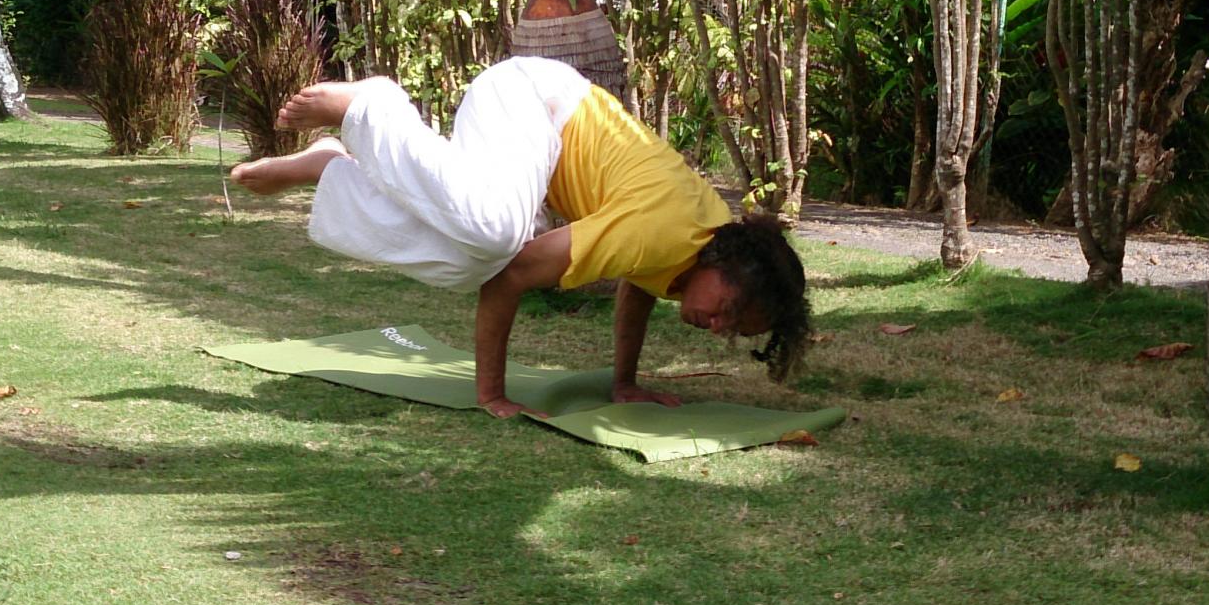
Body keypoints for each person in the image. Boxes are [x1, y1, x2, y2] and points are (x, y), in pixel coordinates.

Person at [230, 56, 811, 417]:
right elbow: (513, 278)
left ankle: (331, 169)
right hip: (533, 99)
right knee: (498, 237)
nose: (717, 328)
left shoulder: (692, 255)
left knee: (467, 260)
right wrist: (491, 393)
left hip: (533, 141)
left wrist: (624, 384)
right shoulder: (661, 233)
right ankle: (371, 106)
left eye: (732, 331)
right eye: (728, 312)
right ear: (729, 267)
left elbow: (639, 288)